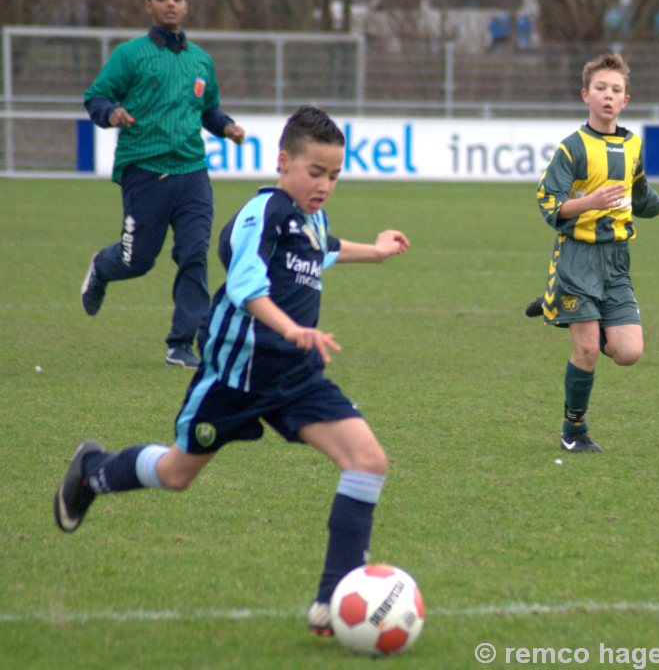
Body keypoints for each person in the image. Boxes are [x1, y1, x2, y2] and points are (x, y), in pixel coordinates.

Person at [54, 105, 410, 636]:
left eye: (334, 176)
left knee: (367, 461)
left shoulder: (311, 218)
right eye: (315, 173)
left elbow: (324, 250)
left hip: (295, 378)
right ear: (283, 161)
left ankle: (333, 600)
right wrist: (291, 328)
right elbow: (245, 286)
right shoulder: (262, 212)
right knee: (177, 474)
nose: (324, 186)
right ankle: (92, 472)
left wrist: (378, 252)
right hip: (234, 376)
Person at [526, 52, 659, 453]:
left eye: (616, 90)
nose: (608, 96)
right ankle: (573, 432)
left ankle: (556, 303)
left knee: (628, 353)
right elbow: (549, 204)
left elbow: (641, 197)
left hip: (616, 261)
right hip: (577, 257)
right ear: (585, 95)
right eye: (601, 89)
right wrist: (588, 202)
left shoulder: (633, 145)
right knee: (588, 348)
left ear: (626, 100)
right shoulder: (571, 148)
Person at [81, 0, 246, 368]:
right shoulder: (131, 56)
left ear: (186, 7)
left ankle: (182, 343)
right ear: (148, 7)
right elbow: (96, 96)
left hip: (192, 172)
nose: (170, 4)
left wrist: (226, 126)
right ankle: (101, 267)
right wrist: (110, 114)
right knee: (136, 260)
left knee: (194, 255)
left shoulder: (201, 61)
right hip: (145, 171)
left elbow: (209, 111)